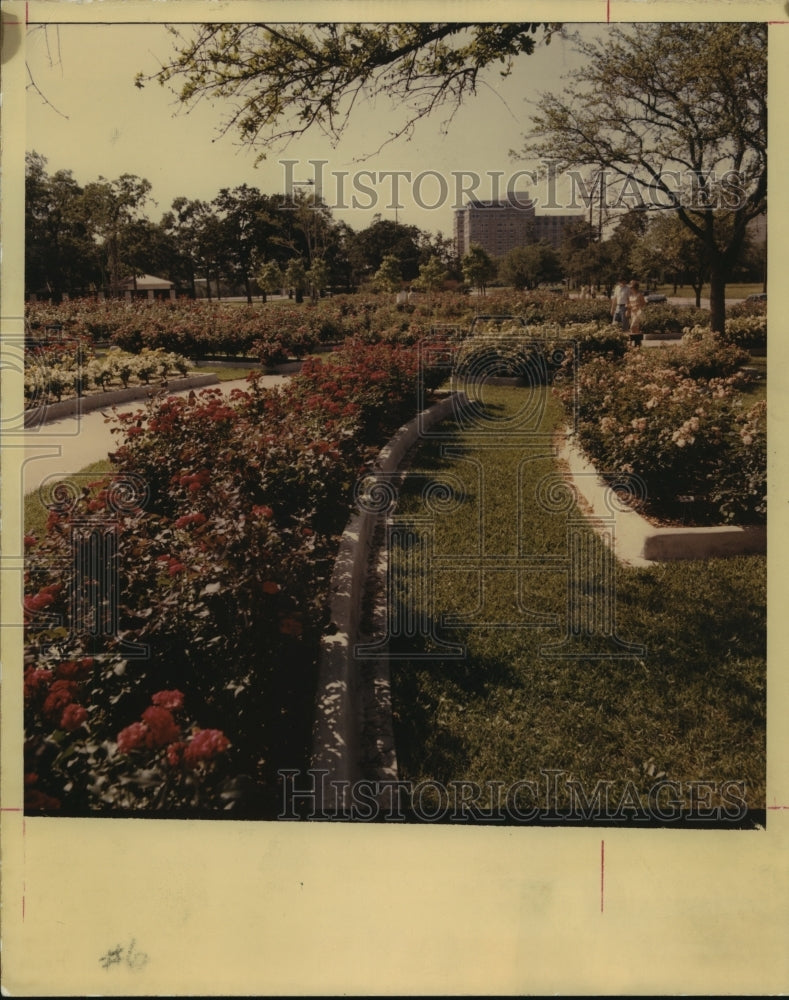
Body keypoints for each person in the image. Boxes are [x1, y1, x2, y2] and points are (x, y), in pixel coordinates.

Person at [627, 280, 647, 347]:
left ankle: (630, 342)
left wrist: (638, 306)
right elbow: (628, 304)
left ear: (635, 287)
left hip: (638, 313)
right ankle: (638, 342)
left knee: (632, 327)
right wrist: (628, 308)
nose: (630, 289)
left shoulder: (639, 295)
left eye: (632, 287)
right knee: (636, 329)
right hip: (632, 313)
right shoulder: (630, 296)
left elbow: (644, 303)